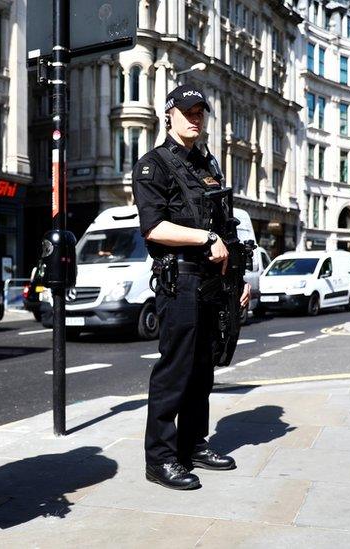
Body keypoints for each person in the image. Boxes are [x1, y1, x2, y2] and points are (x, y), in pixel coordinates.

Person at [132, 84, 251, 490]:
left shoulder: (209, 165)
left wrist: (237, 279)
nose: (195, 119)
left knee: (203, 369)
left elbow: (225, 227)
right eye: (187, 112)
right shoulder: (154, 165)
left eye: (200, 112)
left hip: (212, 280)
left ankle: (194, 443)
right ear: (169, 114)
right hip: (178, 277)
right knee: (175, 370)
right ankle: (161, 458)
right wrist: (204, 241)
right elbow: (154, 227)